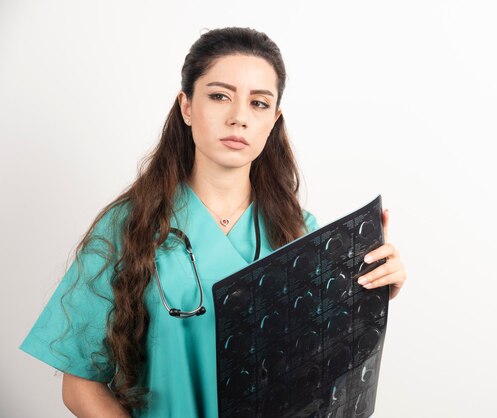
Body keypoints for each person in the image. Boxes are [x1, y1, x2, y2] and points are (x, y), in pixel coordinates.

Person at [20, 27, 407, 417]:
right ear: (187, 106)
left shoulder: (301, 233)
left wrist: (371, 297)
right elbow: (80, 382)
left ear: (274, 120)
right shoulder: (129, 226)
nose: (239, 117)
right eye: (220, 96)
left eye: (258, 103)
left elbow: (328, 373)